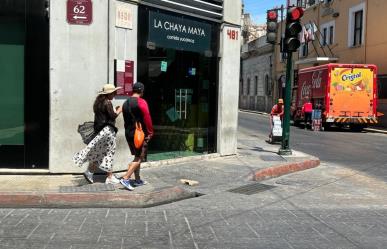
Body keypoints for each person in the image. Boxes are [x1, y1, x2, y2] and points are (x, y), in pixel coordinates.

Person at [73, 84, 122, 184]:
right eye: (114, 93)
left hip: (101, 131)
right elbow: (112, 116)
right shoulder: (107, 102)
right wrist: (119, 110)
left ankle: (90, 172)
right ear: (109, 94)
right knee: (109, 152)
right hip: (108, 131)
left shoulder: (98, 103)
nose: (115, 94)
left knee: (100, 153)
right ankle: (109, 177)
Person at [120, 82, 154, 191]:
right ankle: (126, 178)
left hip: (128, 133)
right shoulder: (141, 102)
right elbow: (147, 118)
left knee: (137, 155)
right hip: (139, 134)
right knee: (140, 157)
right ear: (141, 91)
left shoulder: (125, 103)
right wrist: (150, 132)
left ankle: (137, 179)